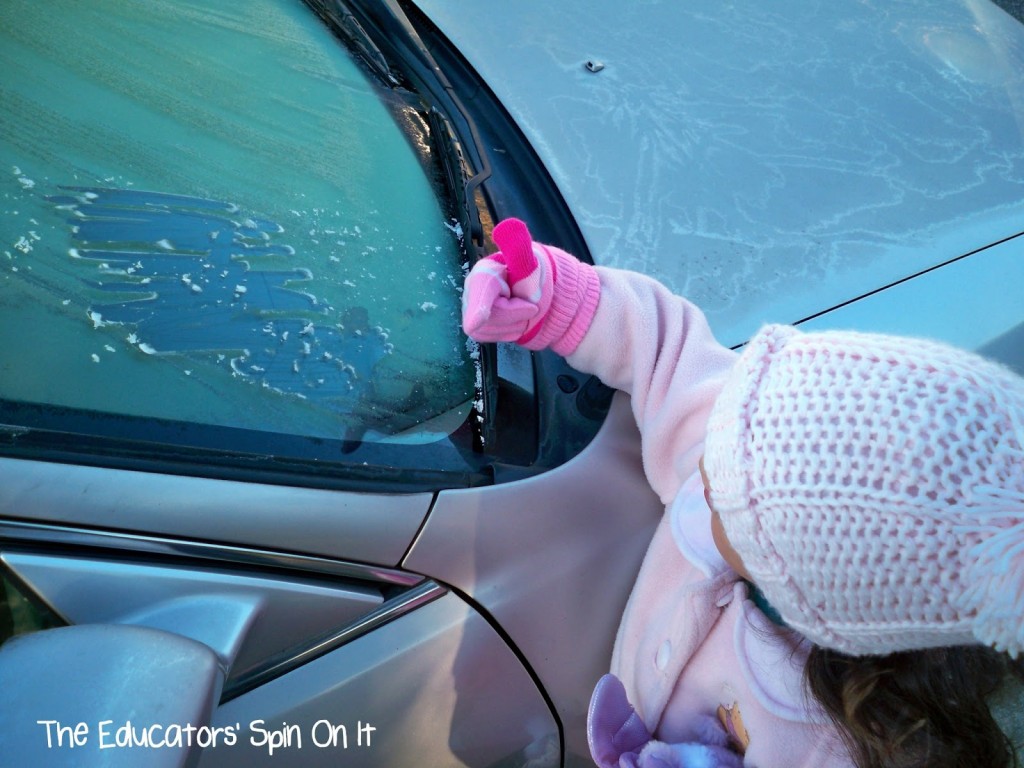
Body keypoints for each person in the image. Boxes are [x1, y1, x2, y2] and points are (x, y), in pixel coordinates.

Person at [462, 218, 1024, 768]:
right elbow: (664, 350)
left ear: (803, 582)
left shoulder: (835, 746)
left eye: (726, 498)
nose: (707, 466)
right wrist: (558, 299)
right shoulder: (755, 446)